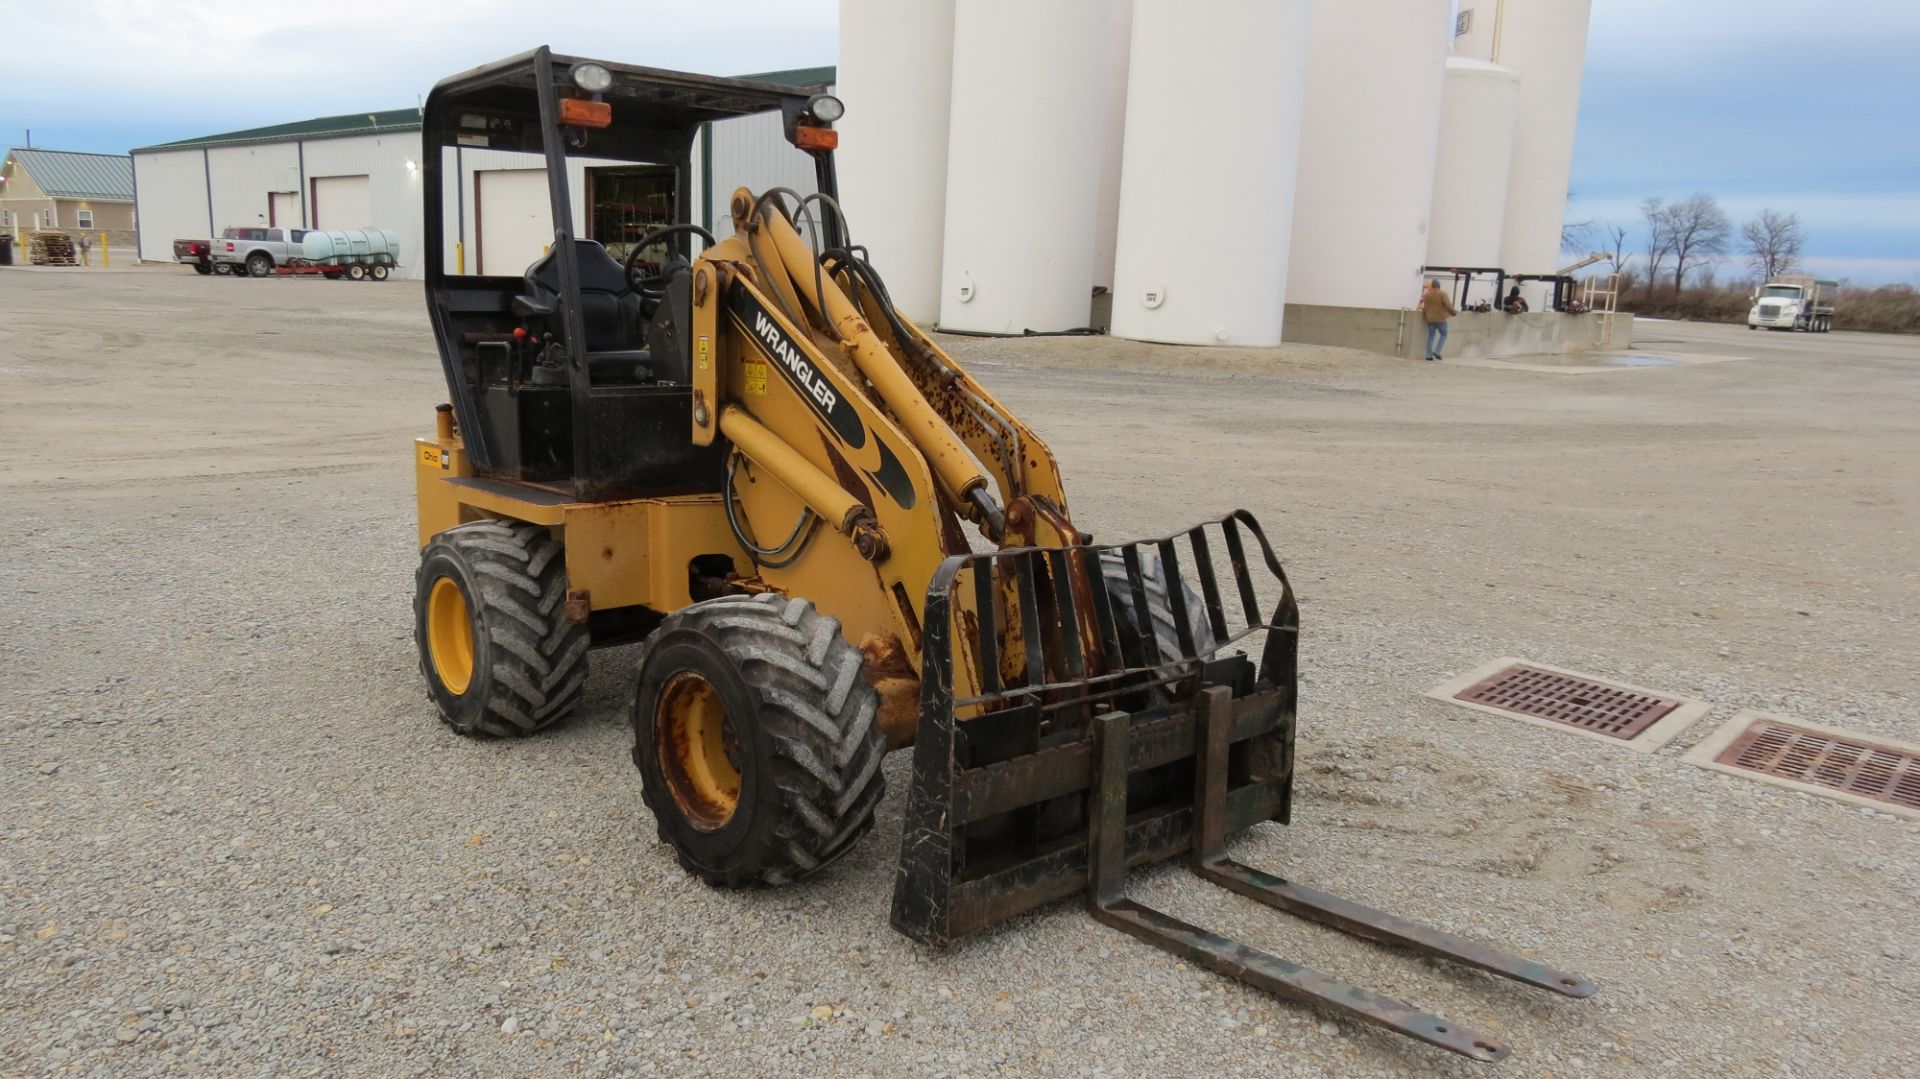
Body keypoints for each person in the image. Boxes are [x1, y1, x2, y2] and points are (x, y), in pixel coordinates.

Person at [1418, 279, 1457, 361]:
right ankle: (1437, 351)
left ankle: (1428, 355)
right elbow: (1448, 305)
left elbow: (1424, 308)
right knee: (1444, 334)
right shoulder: (1442, 294)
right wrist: (1453, 312)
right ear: (1439, 286)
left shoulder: (1427, 295)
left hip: (1430, 319)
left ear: (1432, 286)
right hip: (1440, 319)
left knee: (1431, 336)